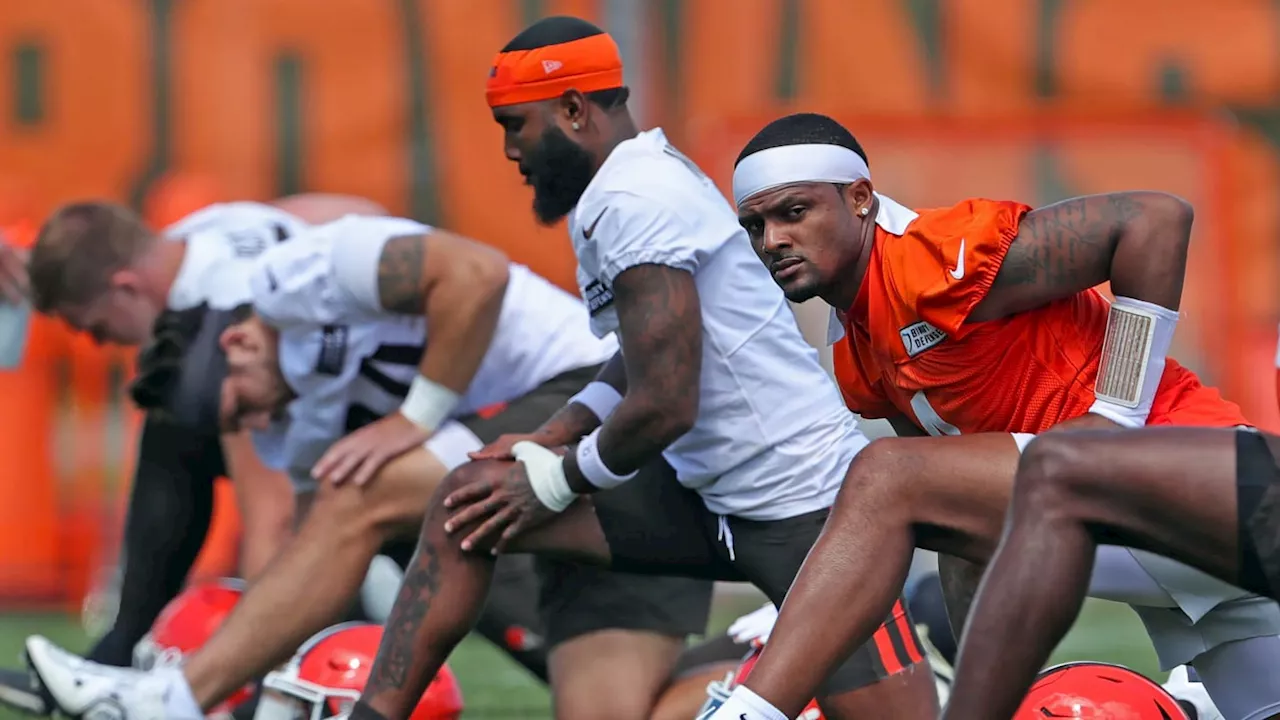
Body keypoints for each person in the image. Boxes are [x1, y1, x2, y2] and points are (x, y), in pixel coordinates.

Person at [329, 16, 938, 720]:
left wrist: (554, 482)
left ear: (573, 110)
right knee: (470, 501)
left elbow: (664, 400)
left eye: (516, 125)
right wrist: (553, 435)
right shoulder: (624, 188)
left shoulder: (634, 198)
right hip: (705, 500)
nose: (508, 150)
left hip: (806, 512)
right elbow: (641, 353)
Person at [23, 212, 738, 720]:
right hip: (552, 465)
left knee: (364, 489)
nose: (249, 429)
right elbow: (308, 561)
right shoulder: (298, 426)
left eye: (238, 407)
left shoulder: (291, 275)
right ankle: (770, 645)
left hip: (591, 391)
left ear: (239, 343)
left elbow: (477, 275)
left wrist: (413, 418)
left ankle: (171, 702)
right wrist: (270, 672)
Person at [708, 111, 1280, 720]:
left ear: (859, 199)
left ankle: (749, 712)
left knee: (886, 475)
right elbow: (958, 529)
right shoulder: (860, 354)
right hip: (1187, 573)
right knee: (927, 500)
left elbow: (1154, 219)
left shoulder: (931, 258)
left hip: (1202, 480)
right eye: (754, 226)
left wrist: (1116, 413)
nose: (771, 240)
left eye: (793, 213)